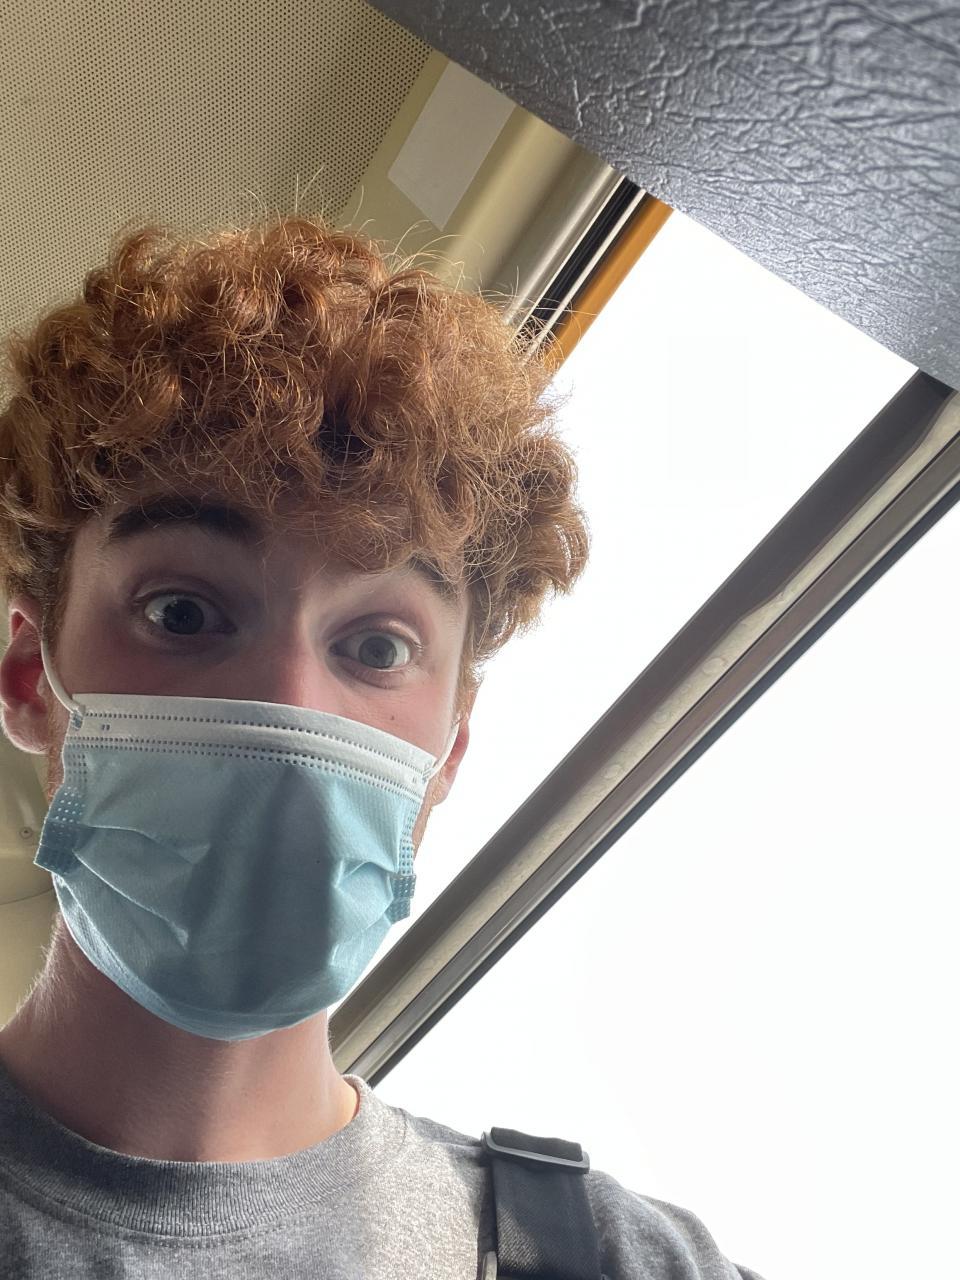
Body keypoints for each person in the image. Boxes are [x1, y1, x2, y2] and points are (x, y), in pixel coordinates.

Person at [0, 216, 764, 1278]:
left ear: (451, 747)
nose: (288, 712)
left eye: (377, 646)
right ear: (30, 676)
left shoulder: (621, 1259)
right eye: (182, 612)